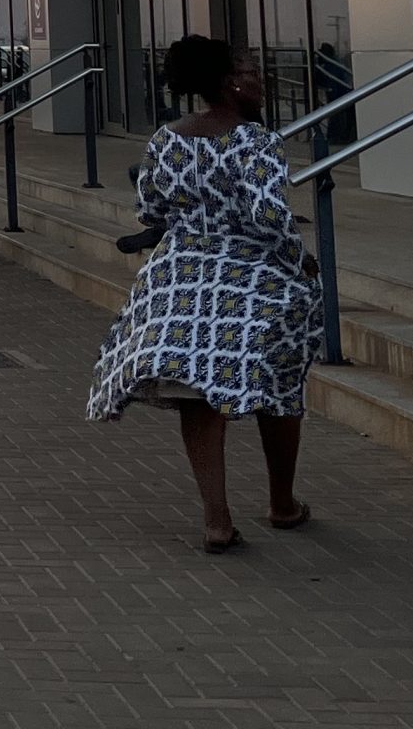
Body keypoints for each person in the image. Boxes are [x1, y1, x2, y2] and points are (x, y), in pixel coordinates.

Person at [87, 35, 324, 551]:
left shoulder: (165, 139)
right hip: (250, 278)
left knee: (198, 394)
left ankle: (217, 520)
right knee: (281, 382)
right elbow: (270, 217)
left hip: (178, 278)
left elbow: (148, 210)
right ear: (230, 82)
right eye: (253, 70)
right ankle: (281, 504)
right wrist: (298, 257)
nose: (261, 79)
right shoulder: (253, 141)